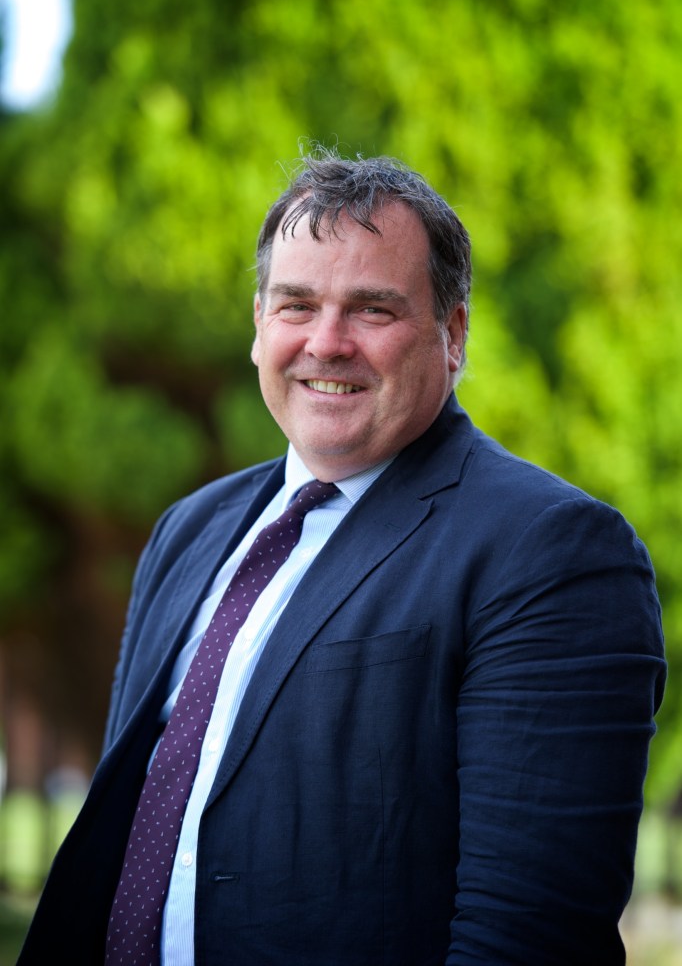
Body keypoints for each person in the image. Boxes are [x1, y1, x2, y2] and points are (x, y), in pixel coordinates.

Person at [19, 149, 665, 966]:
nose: (326, 343)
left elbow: (529, 935)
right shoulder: (190, 529)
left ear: (453, 333)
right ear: (259, 323)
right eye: (297, 305)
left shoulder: (551, 551)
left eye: (372, 310)